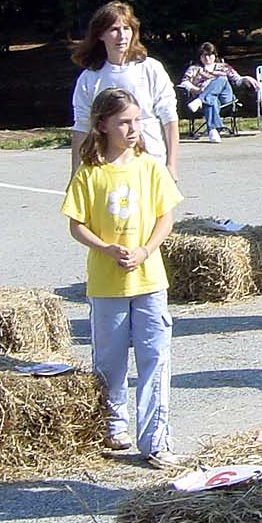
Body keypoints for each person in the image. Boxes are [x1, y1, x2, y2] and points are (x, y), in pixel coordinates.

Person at [61, 88, 184, 468]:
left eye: (136, 121)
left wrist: (145, 250)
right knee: (110, 362)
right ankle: (114, 423)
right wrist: (107, 248)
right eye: (123, 122)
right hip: (106, 283)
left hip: (149, 281)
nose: (132, 129)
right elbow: (76, 224)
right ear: (103, 126)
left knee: (155, 358)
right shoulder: (91, 173)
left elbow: (166, 215)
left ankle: (156, 440)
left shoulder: (149, 167)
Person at [70, 0, 179, 181]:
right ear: (100, 34)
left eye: (126, 28)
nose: (122, 36)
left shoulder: (151, 69)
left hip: (151, 163)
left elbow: (170, 118)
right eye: (114, 29)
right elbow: (81, 127)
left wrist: (171, 165)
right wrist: (75, 173)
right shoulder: (89, 78)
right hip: (108, 169)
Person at [177, 42, 256, 142]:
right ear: (200, 57)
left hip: (225, 97)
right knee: (212, 100)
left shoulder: (223, 67)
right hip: (206, 96)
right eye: (204, 55)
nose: (207, 58)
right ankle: (213, 131)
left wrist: (246, 78)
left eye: (210, 55)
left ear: (215, 55)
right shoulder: (194, 69)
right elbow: (184, 83)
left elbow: (237, 80)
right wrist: (195, 90)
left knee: (222, 78)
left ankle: (200, 101)